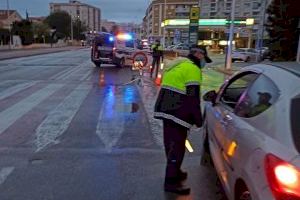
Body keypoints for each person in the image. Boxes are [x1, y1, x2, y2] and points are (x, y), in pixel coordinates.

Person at [154, 45, 212, 195]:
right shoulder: (192, 69)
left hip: (165, 108)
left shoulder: (178, 64)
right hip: (177, 111)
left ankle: (176, 171)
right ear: (199, 55)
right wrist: (198, 120)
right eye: (204, 58)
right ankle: (171, 182)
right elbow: (193, 98)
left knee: (170, 145)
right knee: (177, 148)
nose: (204, 62)